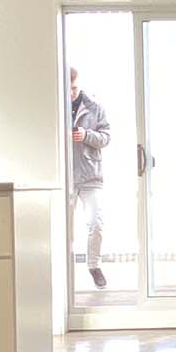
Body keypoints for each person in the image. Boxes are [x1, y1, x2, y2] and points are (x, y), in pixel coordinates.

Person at [68, 68, 112, 288]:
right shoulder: (55, 105)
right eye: (67, 89)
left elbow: (106, 137)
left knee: (96, 223)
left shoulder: (95, 107)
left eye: (74, 88)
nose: (71, 94)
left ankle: (94, 266)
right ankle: (64, 268)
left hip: (90, 174)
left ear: (79, 84)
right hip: (65, 176)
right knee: (64, 227)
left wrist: (86, 136)